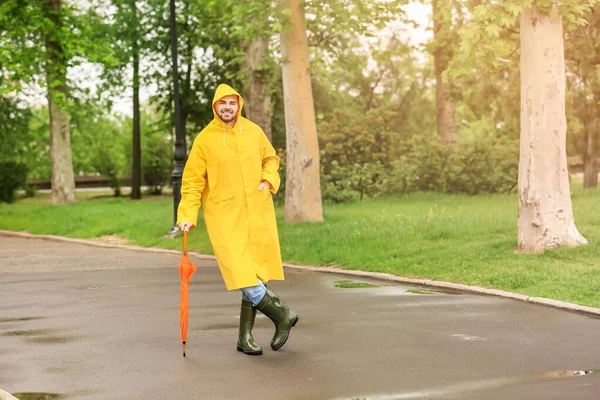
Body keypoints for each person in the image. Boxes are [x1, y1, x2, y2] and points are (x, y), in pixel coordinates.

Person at [177, 83, 298, 356]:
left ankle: (245, 338)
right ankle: (283, 315)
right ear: (215, 106)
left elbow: (271, 159)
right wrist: (186, 214)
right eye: (222, 103)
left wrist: (268, 181)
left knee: (254, 273)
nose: (227, 108)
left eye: (231, 103)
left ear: (238, 105)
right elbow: (192, 181)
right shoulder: (204, 140)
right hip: (224, 216)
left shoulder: (253, 131)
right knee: (239, 272)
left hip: (257, 211)